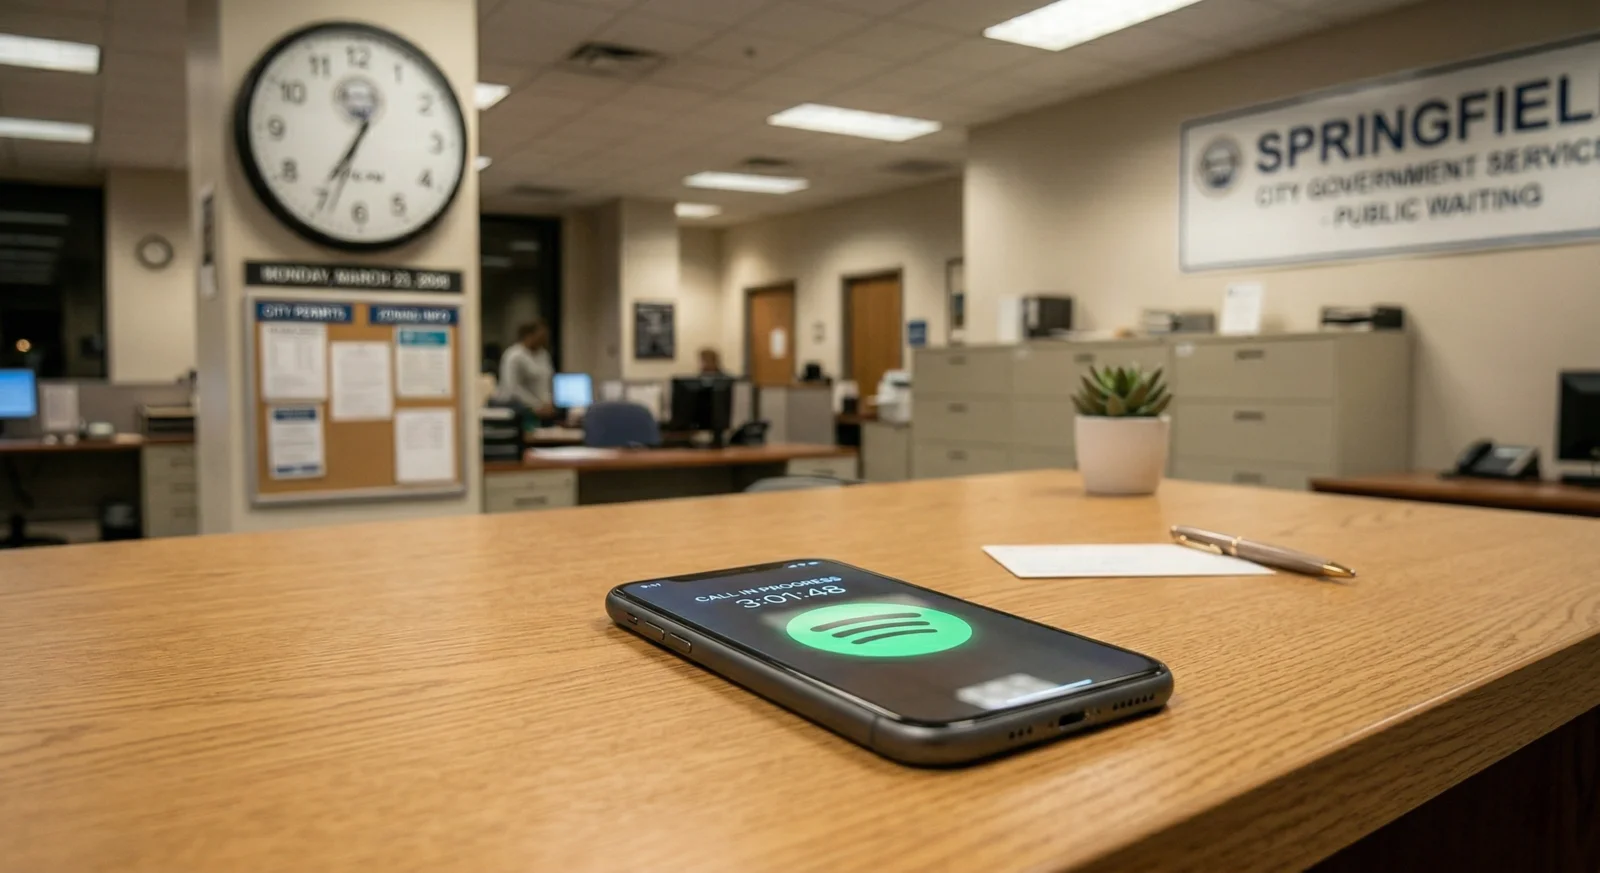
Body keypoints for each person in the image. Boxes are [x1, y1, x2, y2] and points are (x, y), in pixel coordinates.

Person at [497, 320, 555, 419]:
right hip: (519, 410)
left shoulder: (543, 355)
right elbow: (512, 388)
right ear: (528, 335)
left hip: (542, 411)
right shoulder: (514, 355)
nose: (543, 340)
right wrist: (536, 405)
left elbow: (546, 382)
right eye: (540, 337)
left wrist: (548, 403)